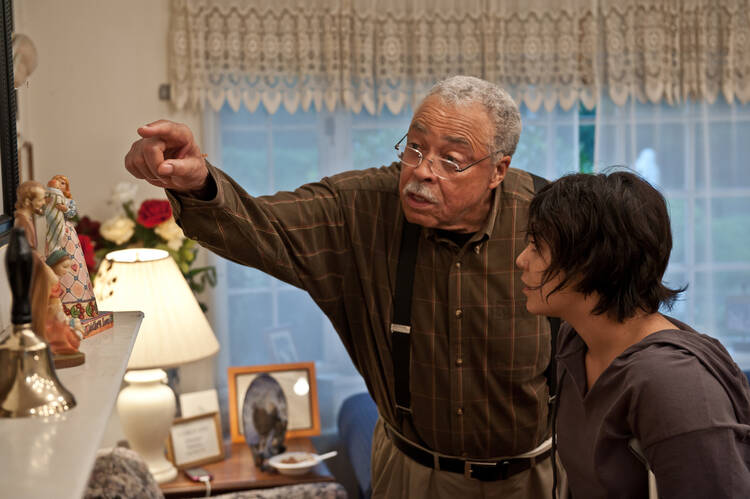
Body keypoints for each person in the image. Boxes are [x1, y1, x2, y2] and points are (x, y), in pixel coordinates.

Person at [125, 75, 553, 498]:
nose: (422, 170)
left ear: (499, 170)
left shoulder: (547, 220)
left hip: (533, 477)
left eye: (451, 160)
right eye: (415, 147)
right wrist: (198, 183)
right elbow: (260, 227)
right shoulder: (362, 208)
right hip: (413, 475)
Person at [515, 171, 750, 498]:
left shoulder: (675, 385)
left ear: (591, 263)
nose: (521, 260)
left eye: (536, 247)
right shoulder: (576, 341)